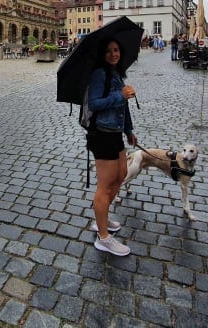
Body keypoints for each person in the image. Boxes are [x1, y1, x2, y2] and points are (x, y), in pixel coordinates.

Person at [85, 38, 138, 256]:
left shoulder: (115, 73)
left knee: (122, 174)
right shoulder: (100, 73)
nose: (113, 54)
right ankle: (103, 237)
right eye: (108, 51)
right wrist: (120, 95)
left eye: (116, 50)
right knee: (105, 186)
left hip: (116, 132)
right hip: (102, 134)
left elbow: (123, 108)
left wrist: (129, 130)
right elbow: (94, 103)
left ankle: (102, 219)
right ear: (102, 54)